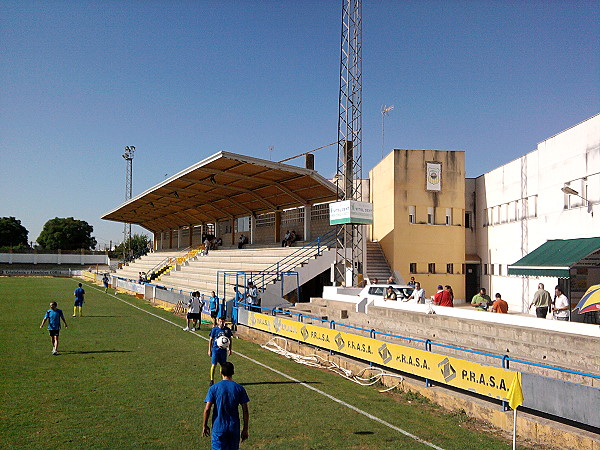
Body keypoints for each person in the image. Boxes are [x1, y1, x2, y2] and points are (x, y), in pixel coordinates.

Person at [203, 362, 249, 450]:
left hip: (218, 427)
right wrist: (245, 428)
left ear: (221, 373)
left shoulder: (214, 388)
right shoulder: (239, 388)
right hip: (233, 428)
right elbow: (245, 410)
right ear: (233, 373)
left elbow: (207, 408)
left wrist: (205, 425)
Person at [208, 317, 234, 386]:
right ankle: (211, 380)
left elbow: (230, 340)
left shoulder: (227, 330)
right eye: (220, 321)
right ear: (218, 321)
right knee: (214, 365)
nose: (221, 323)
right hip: (215, 350)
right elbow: (211, 339)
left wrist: (230, 349)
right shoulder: (215, 329)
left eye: (223, 321)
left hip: (223, 351)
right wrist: (209, 350)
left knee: (223, 366)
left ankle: (223, 380)